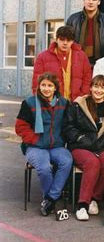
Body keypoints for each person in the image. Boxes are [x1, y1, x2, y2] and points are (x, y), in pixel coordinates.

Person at [62, 75, 104, 221]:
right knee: (92, 163)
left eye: (102, 87)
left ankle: (95, 198)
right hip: (80, 145)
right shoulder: (78, 105)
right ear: (90, 87)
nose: (98, 90)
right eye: (96, 86)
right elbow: (68, 127)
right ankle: (82, 205)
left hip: (101, 145)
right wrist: (82, 139)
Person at [15, 72, 73, 216]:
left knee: (67, 161)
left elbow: (68, 125)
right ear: (39, 86)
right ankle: (51, 199)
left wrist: (64, 139)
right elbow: (20, 127)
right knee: (44, 167)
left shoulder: (64, 103)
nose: (46, 89)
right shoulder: (29, 103)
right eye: (43, 85)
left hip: (57, 146)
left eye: (50, 85)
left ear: (55, 88)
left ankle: (49, 198)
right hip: (36, 146)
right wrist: (35, 140)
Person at [32, 26, 91, 101]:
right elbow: (36, 82)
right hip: (52, 103)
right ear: (56, 39)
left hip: (76, 103)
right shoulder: (42, 57)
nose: (65, 43)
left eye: (69, 40)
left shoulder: (82, 56)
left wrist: (82, 97)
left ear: (73, 41)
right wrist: (41, 101)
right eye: (62, 39)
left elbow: (87, 78)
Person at [66, 0, 104, 65]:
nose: (91, 2)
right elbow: (66, 41)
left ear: (99, 2)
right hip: (77, 62)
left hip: (101, 62)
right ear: (84, 0)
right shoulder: (73, 19)